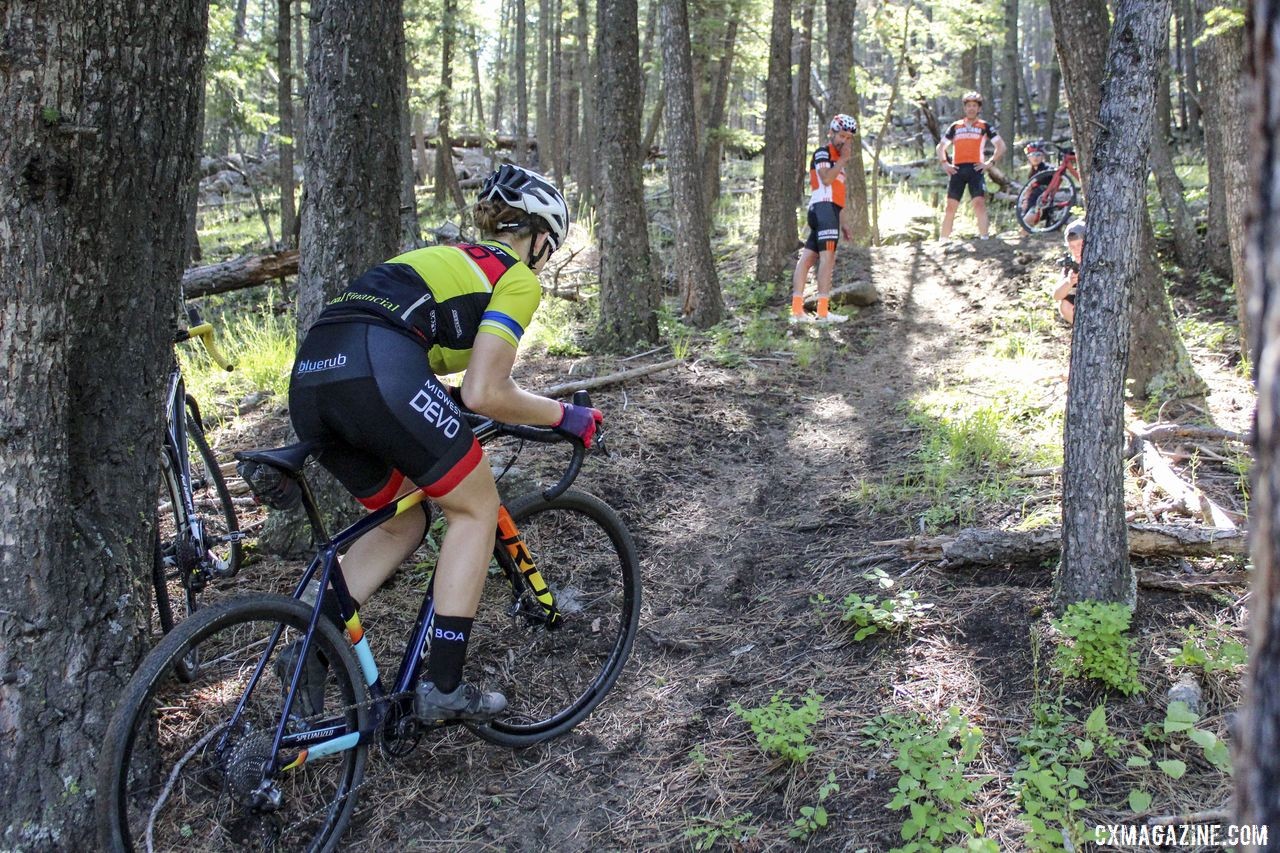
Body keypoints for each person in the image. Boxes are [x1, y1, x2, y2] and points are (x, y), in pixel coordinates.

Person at [284, 164, 603, 723]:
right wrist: (567, 417)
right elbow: (485, 391)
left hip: (313, 376)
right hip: (376, 369)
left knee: (402, 521)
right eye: (548, 250)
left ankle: (310, 647)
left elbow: (423, 373)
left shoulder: (444, 261)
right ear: (541, 240)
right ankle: (445, 687)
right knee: (476, 510)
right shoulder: (516, 277)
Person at [790, 113, 858, 324]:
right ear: (831, 133)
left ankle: (797, 311)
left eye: (848, 138)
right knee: (828, 259)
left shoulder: (839, 163)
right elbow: (826, 179)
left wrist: (844, 222)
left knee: (808, 258)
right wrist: (844, 159)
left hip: (830, 211)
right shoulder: (822, 153)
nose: (844, 141)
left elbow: (839, 194)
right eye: (842, 136)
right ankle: (822, 312)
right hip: (822, 209)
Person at [936, 91, 1006, 240]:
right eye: (968, 106)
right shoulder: (955, 126)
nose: (971, 109)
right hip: (957, 169)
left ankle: (984, 238)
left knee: (979, 204)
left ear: (979, 108)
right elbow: (940, 147)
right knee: (950, 206)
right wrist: (945, 164)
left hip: (975, 169)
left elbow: (1001, 146)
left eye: (974, 106)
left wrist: (990, 163)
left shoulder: (984, 126)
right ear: (965, 108)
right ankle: (943, 240)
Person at [1053, 218, 1086, 324]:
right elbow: (1056, 296)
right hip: (1082, 313)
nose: (1076, 250)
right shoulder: (1070, 267)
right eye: (1072, 247)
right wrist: (1069, 281)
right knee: (1065, 305)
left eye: (1080, 245)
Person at [1020, 140, 1052, 226]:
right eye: (1032, 155)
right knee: (1024, 223)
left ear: (1042, 156)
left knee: (1025, 224)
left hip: (1043, 204)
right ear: (1028, 157)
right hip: (1032, 203)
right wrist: (1025, 201)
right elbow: (1029, 189)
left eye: (1038, 154)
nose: (1035, 158)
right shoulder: (1032, 172)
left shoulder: (1048, 168)